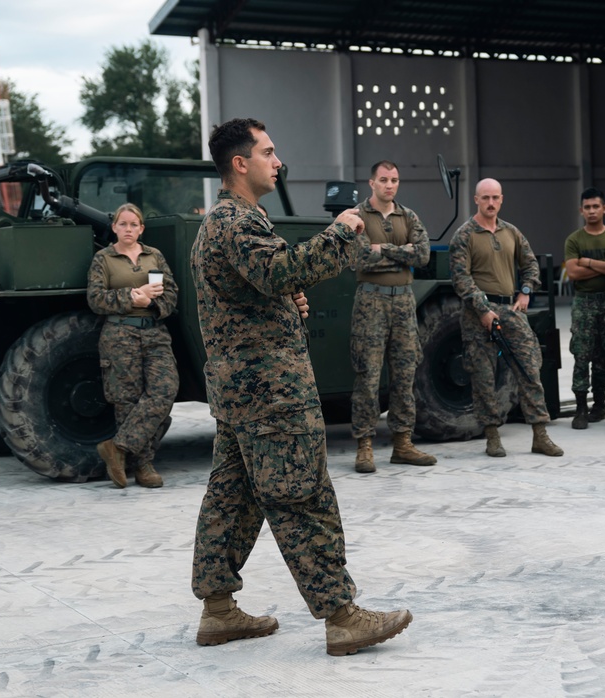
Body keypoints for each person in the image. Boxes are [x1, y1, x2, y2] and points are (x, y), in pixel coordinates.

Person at [189, 118, 411, 656]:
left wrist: (285, 299)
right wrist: (340, 231)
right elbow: (276, 271)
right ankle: (341, 616)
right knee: (302, 494)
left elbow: (264, 286)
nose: (277, 160)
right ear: (240, 164)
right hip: (269, 389)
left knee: (233, 495)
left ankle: (218, 610)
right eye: (268, 152)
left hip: (245, 390)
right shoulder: (234, 221)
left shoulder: (236, 220)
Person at [449, 178, 563, 458]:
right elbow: (461, 279)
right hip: (478, 314)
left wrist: (525, 292)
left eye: (495, 198)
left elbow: (530, 264)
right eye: (485, 197)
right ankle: (492, 436)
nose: (490, 203)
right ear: (476, 199)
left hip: (510, 311)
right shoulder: (464, 235)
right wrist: (483, 309)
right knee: (484, 377)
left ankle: (540, 434)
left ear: (501, 200)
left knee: (529, 369)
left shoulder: (511, 232)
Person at [349, 160, 436, 473]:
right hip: (370, 302)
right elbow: (359, 258)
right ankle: (365, 446)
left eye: (394, 180)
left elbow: (423, 255)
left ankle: (402, 443)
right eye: (384, 179)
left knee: (404, 374)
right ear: (371, 182)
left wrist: (381, 248)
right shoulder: (356, 216)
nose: (390, 185)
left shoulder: (408, 216)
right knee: (368, 375)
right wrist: (401, 252)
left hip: (403, 303)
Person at [87, 203, 178, 489]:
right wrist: (132, 297)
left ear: (141, 228)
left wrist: (151, 302)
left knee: (164, 390)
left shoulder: (154, 256)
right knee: (127, 401)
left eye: (134, 224)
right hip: (119, 334)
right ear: (114, 227)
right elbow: (95, 299)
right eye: (123, 224)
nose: (128, 229)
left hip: (154, 332)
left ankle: (118, 447)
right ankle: (143, 466)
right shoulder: (103, 258)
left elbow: (172, 293)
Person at [563, 187, 605, 428]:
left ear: (604, 209)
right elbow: (573, 273)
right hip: (584, 302)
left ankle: (602, 404)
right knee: (582, 355)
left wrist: (586, 261)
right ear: (581, 210)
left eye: (596, 206)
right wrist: (603, 265)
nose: (591, 211)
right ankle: (581, 408)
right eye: (587, 207)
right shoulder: (574, 239)